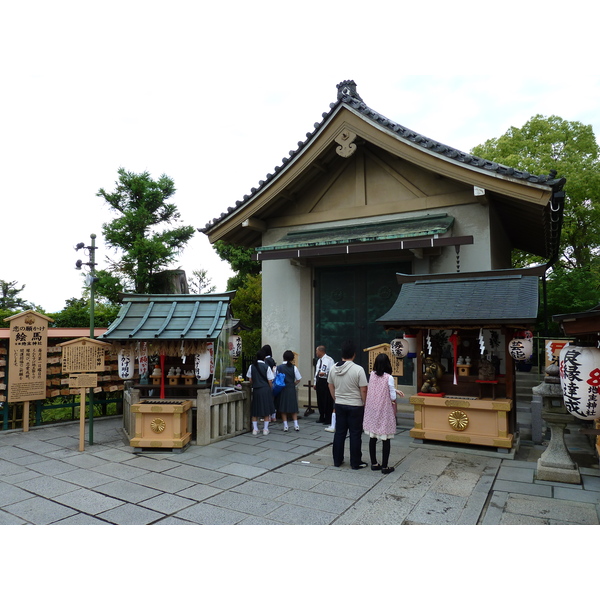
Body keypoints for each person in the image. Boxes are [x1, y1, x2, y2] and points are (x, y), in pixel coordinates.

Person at [327, 340, 368, 469]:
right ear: (354, 354)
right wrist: (364, 402)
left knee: (339, 433)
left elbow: (330, 385)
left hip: (339, 403)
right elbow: (363, 389)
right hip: (355, 404)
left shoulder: (333, 368)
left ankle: (337, 460)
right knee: (355, 434)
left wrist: (336, 398)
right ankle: (356, 462)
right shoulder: (358, 369)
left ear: (342, 353)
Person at [363, 353, 404, 474]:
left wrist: (394, 390)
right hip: (384, 410)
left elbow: (377, 389)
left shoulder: (372, 375)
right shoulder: (389, 377)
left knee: (373, 437)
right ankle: (385, 466)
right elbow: (391, 396)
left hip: (372, 409)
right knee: (386, 438)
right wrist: (395, 392)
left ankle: (374, 463)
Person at [246, 349, 275, 435]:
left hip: (256, 389)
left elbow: (250, 379)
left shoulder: (252, 366)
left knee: (255, 409)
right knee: (266, 409)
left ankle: (255, 429)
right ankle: (265, 429)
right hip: (265, 389)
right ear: (264, 358)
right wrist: (270, 388)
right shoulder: (267, 367)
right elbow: (270, 380)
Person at [276, 350, 302, 431]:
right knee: (293, 407)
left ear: (283, 357)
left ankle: (285, 425)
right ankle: (296, 425)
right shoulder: (294, 367)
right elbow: (298, 379)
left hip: (282, 388)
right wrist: (293, 384)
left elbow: (275, 378)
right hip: (291, 388)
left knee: (283, 408)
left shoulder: (279, 367)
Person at [313, 345, 335, 426]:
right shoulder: (319, 360)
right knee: (320, 400)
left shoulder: (329, 360)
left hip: (326, 381)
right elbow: (316, 372)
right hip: (319, 381)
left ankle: (328, 418)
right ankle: (321, 416)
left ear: (321, 351)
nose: (316, 353)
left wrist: (325, 373)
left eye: (316, 351)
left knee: (327, 400)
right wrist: (315, 383)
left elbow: (332, 372)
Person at [261, 344, 277, 422]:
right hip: (273, 380)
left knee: (267, 400)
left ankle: (268, 416)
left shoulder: (266, 361)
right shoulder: (272, 359)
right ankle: (273, 416)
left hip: (267, 381)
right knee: (272, 400)